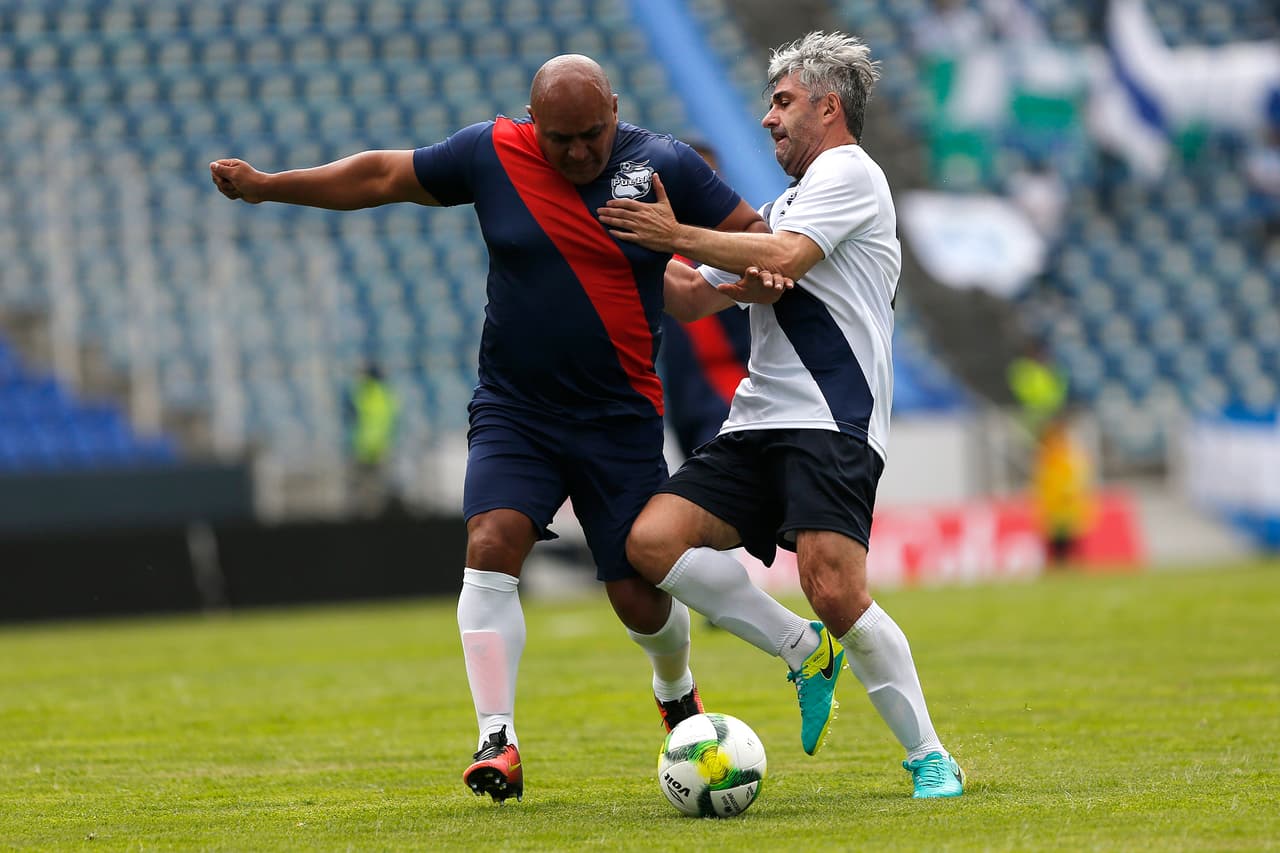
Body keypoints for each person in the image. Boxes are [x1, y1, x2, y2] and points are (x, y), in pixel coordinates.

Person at [210, 54, 794, 805]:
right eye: (561, 139)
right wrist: (269, 186)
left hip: (618, 419)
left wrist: (709, 259)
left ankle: (676, 691)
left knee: (639, 597)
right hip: (516, 409)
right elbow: (380, 176)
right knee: (490, 541)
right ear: (532, 122)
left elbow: (755, 236)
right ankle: (497, 738)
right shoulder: (491, 152)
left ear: (615, 111)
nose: (578, 152)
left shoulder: (663, 163)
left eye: (592, 134)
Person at [598, 31, 966, 798]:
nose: (768, 117)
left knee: (835, 588)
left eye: (783, 101)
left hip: (831, 418)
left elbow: (789, 257)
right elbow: (691, 296)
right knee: (651, 541)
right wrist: (612, 246)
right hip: (756, 422)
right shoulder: (782, 205)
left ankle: (930, 754)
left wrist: (675, 233)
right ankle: (804, 650)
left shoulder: (849, 174)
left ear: (828, 109)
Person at [657, 141, 752, 460]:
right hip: (683, 401)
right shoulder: (660, 253)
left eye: (709, 177)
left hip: (733, 398)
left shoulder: (741, 246)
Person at [344, 361, 400, 515]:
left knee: (359, 485)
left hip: (363, 445)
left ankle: (361, 513)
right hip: (382, 446)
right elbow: (394, 420)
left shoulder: (362, 392)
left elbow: (350, 415)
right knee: (379, 486)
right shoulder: (388, 394)